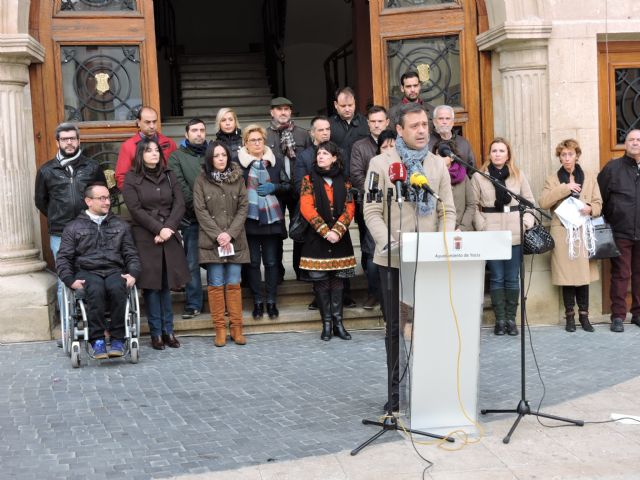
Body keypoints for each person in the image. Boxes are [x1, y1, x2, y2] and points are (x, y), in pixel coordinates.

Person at [363, 102, 456, 411]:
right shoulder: (380, 164)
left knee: (427, 327)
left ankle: (428, 390)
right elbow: (372, 211)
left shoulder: (437, 165)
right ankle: (394, 395)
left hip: (427, 260)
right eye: (413, 126)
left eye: (424, 126)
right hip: (392, 261)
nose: (421, 131)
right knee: (395, 329)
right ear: (399, 130)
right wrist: (387, 242)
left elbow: (448, 211)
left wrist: (442, 245)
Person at [56, 184, 140, 359]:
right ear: (88, 201)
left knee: (118, 288)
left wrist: (133, 273)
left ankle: (118, 338)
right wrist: (69, 280)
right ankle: (97, 340)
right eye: (102, 198)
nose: (107, 202)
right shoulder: (73, 227)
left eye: (108, 198)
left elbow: (131, 254)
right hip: (87, 271)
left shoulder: (120, 225)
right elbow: (63, 258)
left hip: (114, 269)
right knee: (95, 290)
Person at [122, 138, 191, 350]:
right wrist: (157, 229)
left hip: (168, 234)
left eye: (157, 151)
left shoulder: (169, 176)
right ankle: (156, 333)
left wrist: (168, 228)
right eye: (149, 150)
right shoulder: (132, 178)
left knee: (166, 286)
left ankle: (169, 331)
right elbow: (135, 209)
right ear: (140, 154)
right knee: (152, 287)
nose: (154, 154)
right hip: (146, 237)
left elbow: (180, 203)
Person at [34, 122, 107, 319]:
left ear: (79, 141)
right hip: (60, 232)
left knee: (92, 275)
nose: (69, 142)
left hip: (90, 230)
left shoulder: (92, 167)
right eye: (64, 139)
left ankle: (92, 323)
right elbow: (41, 201)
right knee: (64, 278)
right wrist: (59, 216)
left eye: (72, 139)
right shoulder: (46, 170)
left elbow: (102, 196)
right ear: (57, 142)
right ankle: (68, 326)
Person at [471, 137, 536, 336]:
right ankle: (499, 320)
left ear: (508, 154)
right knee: (497, 278)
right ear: (489, 154)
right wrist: (482, 226)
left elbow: (530, 203)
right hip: (491, 233)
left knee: (512, 278)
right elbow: (473, 205)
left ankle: (511, 319)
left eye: (501, 151)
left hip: (514, 232)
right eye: (494, 151)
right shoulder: (480, 177)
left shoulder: (518, 175)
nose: (497, 154)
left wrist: (525, 224)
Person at [539, 139, 602, 332]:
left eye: (570, 154)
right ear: (559, 157)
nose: (567, 158)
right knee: (567, 276)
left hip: (583, 231)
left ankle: (584, 316)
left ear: (577, 155)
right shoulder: (553, 179)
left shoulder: (590, 177)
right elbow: (543, 202)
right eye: (563, 155)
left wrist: (590, 208)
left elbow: (599, 203)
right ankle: (569, 317)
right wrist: (565, 188)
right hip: (562, 232)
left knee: (582, 276)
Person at [299, 141, 357, 341]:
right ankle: (326, 325)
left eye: (325, 153)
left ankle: (338, 324)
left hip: (340, 239)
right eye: (319, 153)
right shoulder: (308, 180)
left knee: (338, 281)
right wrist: (325, 231)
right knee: (321, 282)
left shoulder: (345, 180)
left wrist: (338, 230)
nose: (320, 156)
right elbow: (306, 207)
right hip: (317, 239)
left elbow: (350, 207)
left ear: (334, 158)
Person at [194, 141, 249, 347]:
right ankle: (219, 329)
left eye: (223, 155)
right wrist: (218, 235)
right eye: (216, 155)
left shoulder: (238, 178)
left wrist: (230, 234)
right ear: (210, 158)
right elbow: (200, 210)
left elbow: (243, 207)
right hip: (211, 241)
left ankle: (237, 328)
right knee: (216, 283)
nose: (220, 159)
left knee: (234, 283)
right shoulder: (201, 180)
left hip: (236, 240)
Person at [237, 124, 289, 320]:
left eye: (260, 139)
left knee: (271, 262)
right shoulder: (238, 164)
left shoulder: (276, 162)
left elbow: (288, 186)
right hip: (249, 220)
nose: (257, 143)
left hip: (272, 220)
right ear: (246, 144)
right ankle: (258, 302)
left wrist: (273, 187)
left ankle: (272, 301)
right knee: (252, 264)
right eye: (253, 140)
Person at [266, 97, 312, 283]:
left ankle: (301, 270)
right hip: (275, 189)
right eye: (279, 109)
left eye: (286, 109)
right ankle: (277, 272)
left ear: (291, 112)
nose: (283, 112)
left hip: (298, 189)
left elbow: (310, 160)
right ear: (272, 112)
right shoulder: (264, 135)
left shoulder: (303, 134)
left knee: (300, 229)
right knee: (275, 231)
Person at [597, 129, 640, 333]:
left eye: (639, 140)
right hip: (620, 230)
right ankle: (618, 316)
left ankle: (638, 314)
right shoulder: (612, 168)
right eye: (631, 139)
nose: (635, 143)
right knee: (621, 274)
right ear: (625, 143)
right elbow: (601, 197)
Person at [350, 105, 391, 309]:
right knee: (370, 252)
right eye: (373, 121)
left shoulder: (395, 144)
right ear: (368, 124)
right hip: (369, 205)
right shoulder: (360, 146)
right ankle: (373, 292)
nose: (376, 125)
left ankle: (388, 294)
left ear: (387, 122)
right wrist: (375, 191)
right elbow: (356, 174)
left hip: (394, 208)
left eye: (380, 121)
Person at [168, 118, 209, 320]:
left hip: (216, 219)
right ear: (186, 134)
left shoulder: (214, 153)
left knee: (217, 262)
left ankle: (220, 302)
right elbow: (180, 186)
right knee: (192, 262)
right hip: (192, 218)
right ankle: (194, 303)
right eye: (194, 130)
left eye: (202, 130)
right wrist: (200, 209)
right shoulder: (176, 157)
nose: (199, 134)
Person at [115, 106, 177, 189]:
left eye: (154, 122)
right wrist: (133, 197)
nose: (152, 126)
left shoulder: (169, 143)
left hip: (167, 194)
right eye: (147, 122)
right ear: (138, 122)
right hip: (141, 196)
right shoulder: (128, 146)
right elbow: (122, 177)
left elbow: (176, 172)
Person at [431, 137, 476, 231]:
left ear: (452, 157)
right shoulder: (431, 177)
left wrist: (462, 227)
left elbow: (471, 205)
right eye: (436, 155)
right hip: (440, 231)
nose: (438, 158)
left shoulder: (463, 177)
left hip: (461, 231)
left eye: (442, 155)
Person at [329, 86, 369, 177]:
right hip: (337, 174)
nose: (347, 109)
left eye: (350, 105)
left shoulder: (366, 123)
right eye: (343, 106)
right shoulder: (328, 125)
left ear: (354, 102)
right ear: (336, 104)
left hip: (362, 173)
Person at [427, 105, 477, 172]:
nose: (444, 122)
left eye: (447, 118)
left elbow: (472, 171)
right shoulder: (426, 142)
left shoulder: (463, 143)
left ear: (453, 122)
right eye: (440, 118)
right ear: (434, 121)